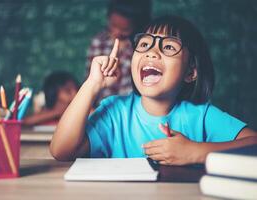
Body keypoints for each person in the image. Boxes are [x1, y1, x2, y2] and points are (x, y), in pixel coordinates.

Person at [50, 15, 257, 165]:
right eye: (145, 44)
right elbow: (61, 151)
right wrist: (92, 83)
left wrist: (196, 152)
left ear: (191, 72)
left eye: (168, 47)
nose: (152, 52)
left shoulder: (201, 116)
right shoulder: (114, 112)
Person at [86, 0, 152, 106]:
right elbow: (90, 80)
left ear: (135, 26)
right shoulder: (99, 42)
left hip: (131, 106)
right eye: (113, 25)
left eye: (124, 29)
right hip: (99, 105)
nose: (116, 32)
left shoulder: (141, 47)